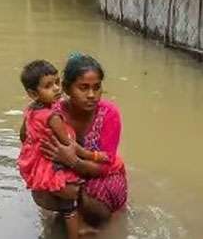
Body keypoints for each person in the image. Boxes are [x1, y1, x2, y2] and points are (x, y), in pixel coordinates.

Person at [22, 53, 127, 229]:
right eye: (83, 88)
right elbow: (26, 139)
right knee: (42, 192)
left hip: (103, 173)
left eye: (97, 87)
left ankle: (80, 213)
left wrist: (72, 161)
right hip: (67, 172)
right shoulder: (51, 112)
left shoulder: (109, 113)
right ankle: (71, 213)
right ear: (66, 89)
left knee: (97, 213)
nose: (92, 95)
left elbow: (105, 166)